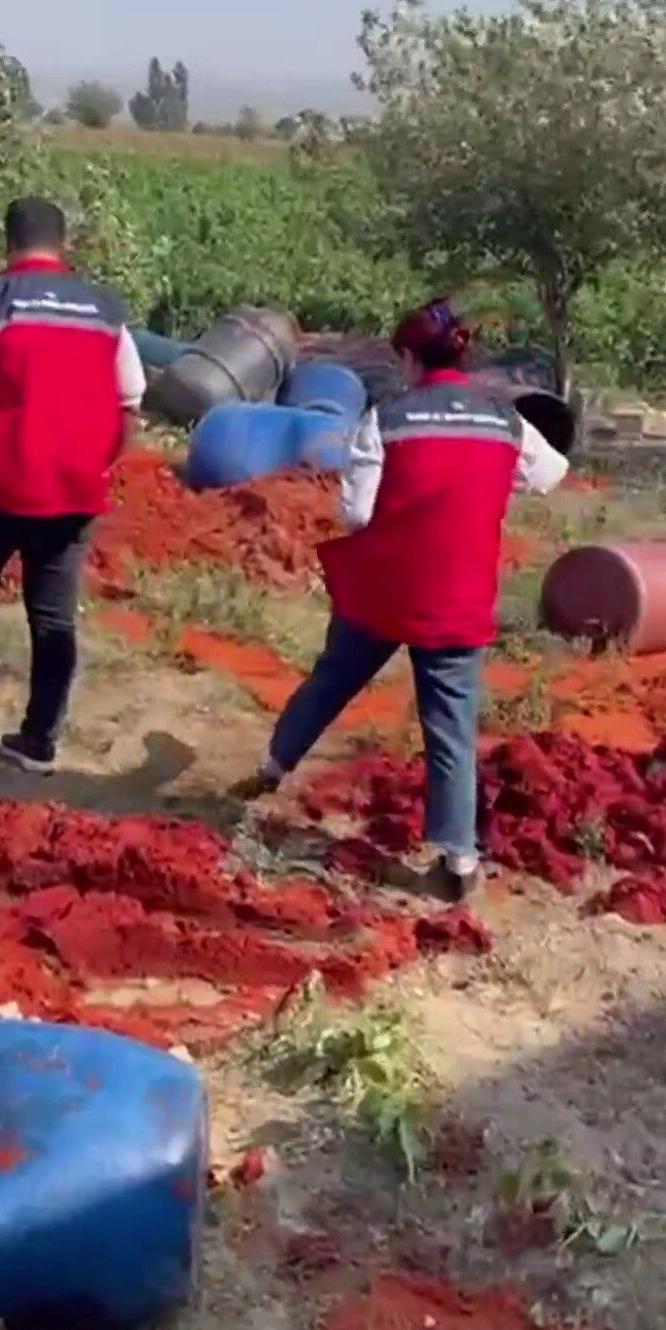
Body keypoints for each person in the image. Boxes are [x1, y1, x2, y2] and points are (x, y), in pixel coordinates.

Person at [237, 298, 569, 900]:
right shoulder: (505, 419)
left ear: (411, 358)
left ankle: (273, 766)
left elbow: (358, 511)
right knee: (450, 727)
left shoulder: (388, 416)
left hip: (387, 588)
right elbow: (550, 474)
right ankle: (460, 861)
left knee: (333, 678)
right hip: (458, 596)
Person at [0, 196, 146, 773]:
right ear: (63, 244)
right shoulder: (105, 308)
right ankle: (39, 741)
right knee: (54, 619)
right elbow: (131, 406)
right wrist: (100, 464)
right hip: (72, 492)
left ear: (8, 243)